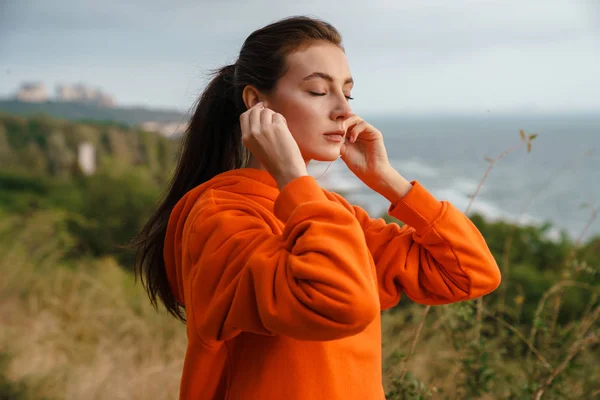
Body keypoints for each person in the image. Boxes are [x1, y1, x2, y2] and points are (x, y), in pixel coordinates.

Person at [131, 15, 501, 400]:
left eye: (348, 93)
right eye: (318, 92)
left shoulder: (331, 215)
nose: (343, 109)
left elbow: (470, 274)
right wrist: (294, 178)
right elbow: (341, 302)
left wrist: (388, 180)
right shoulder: (221, 216)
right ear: (258, 104)